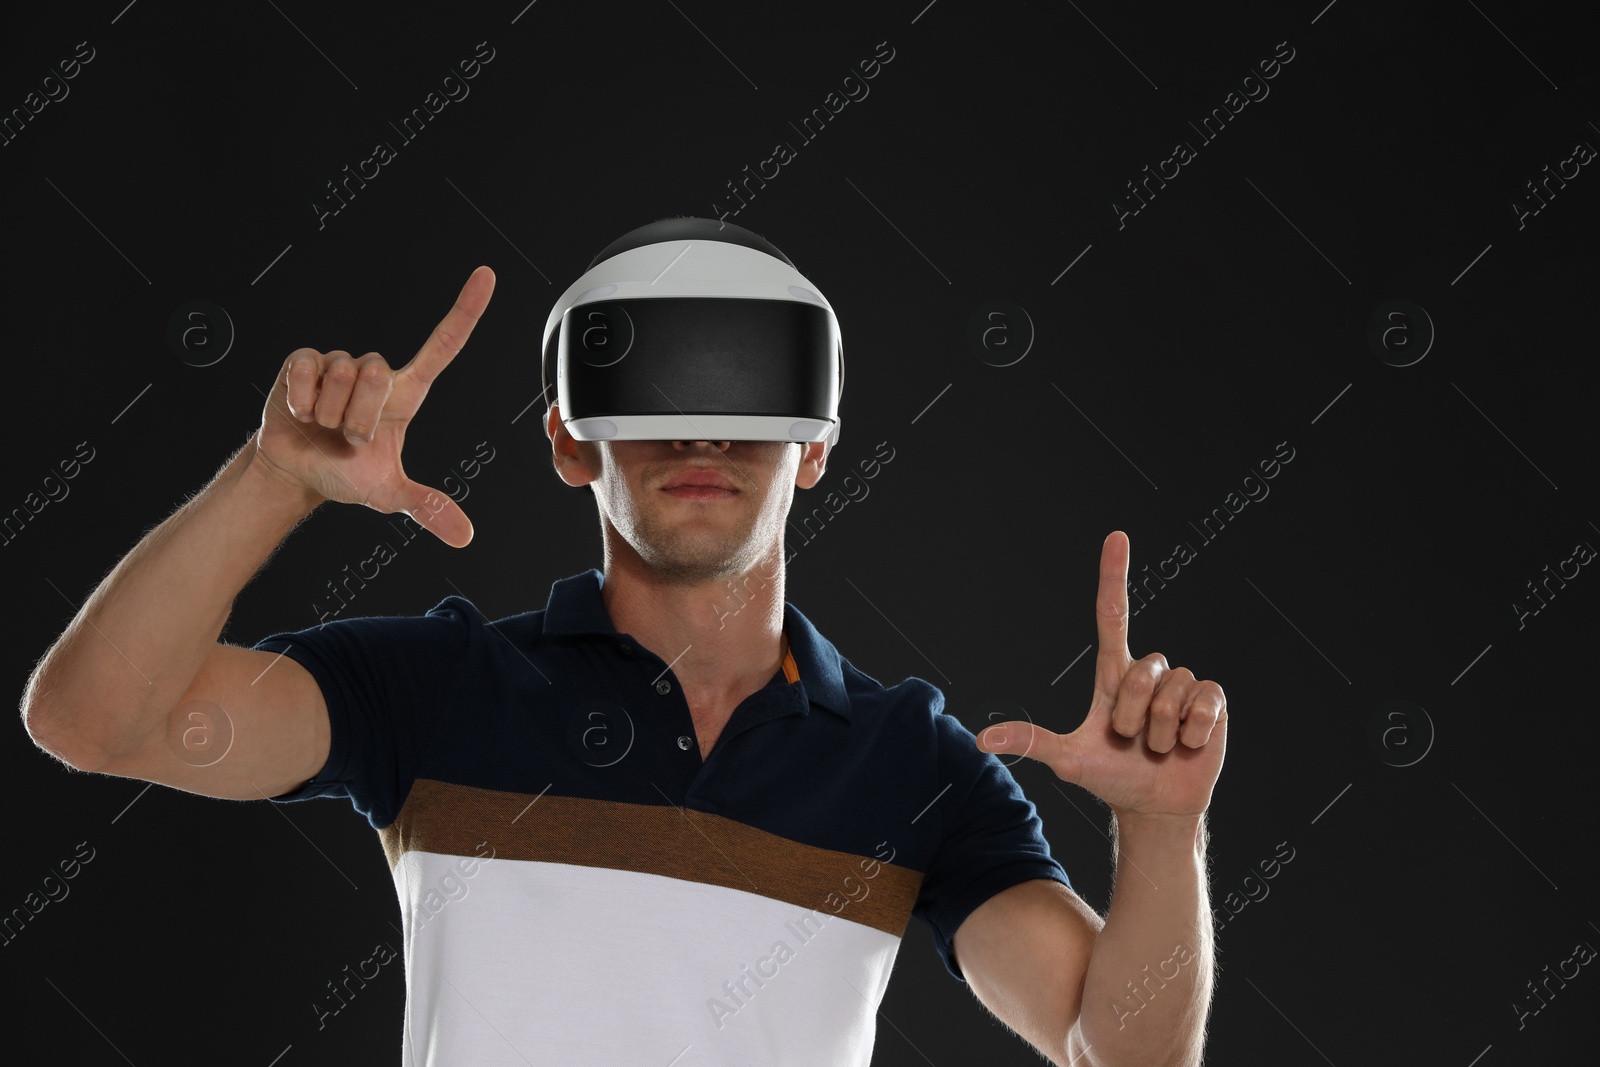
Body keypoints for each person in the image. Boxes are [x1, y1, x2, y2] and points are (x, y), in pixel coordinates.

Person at [22, 219, 1227, 1066]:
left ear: (814, 445)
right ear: (567, 439)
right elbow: (91, 719)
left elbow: (1112, 1048)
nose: (699, 429)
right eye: (651, 385)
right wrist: (274, 477)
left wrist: (1163, 830)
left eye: (749, 388)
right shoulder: (437, 691)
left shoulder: (912, 767)